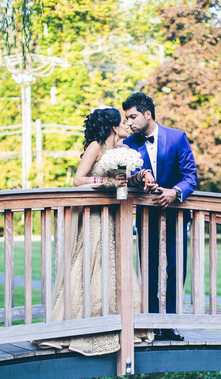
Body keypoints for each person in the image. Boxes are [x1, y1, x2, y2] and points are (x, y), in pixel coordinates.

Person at [34, 107, 154, 355]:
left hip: (115, 217)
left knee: (116, 266)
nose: (126, 125)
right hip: (94, 218)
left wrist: (138, 176)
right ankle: (81, 324)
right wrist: (107, 182)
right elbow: (78, 179)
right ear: (113, 127)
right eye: (122, 121)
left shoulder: (122, 151)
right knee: (90, 265)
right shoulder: (96, 146)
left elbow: (125, 180)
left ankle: (122, 324)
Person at [122, 92, 198, 341]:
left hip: (176, 216)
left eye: (133, 116)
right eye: (126, 118)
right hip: (146, 215)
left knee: (176, 268)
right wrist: (139, 180)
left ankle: (171, 324)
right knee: (150, 268)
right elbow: (126, 177)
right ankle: (153, 323)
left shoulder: (177, 138)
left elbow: (190, 177)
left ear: (148, 114)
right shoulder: (129, 144)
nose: (129, 122)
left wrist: (174, 193)